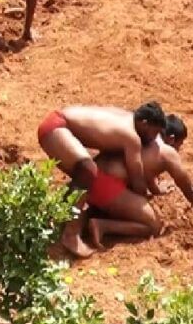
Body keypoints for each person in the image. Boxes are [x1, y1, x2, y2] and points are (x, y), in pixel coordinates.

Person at [36, 102, 166, 257]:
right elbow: (137, 179)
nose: (154, 138)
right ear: (144, 124)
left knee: (84, 172)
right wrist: (142, 201)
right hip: (57, 128)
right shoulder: (132, 138)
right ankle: (71, 235)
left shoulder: (125, 116)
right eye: (154, 132)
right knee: (87, 169)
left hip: (56, 121)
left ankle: (60, 218)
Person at [85, 114, 193, 249]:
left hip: (87, 179)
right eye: (179, 145)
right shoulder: (166, 153)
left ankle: (95, 212)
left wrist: (156, 189)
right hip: (104, 187)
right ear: (171, 139)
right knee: (153, 226)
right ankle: (103, 226)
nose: (179, 150)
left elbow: (143, 170)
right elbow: (190, 189)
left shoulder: (146, 136)